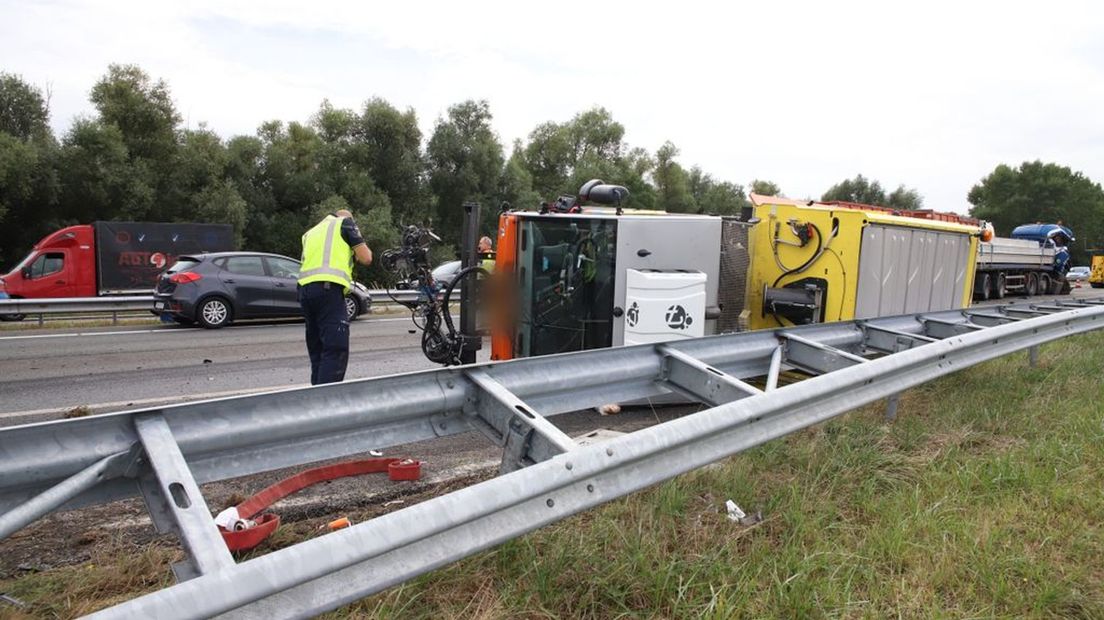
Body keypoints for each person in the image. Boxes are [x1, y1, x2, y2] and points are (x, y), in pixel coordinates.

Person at [297, 209, 372, 385]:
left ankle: (316, 398)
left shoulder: (311, 232)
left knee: (318, 351)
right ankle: (328, 402)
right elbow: (366, 258)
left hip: (305, 292)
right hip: (327, 290)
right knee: (335, 349)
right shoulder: (345, 223)